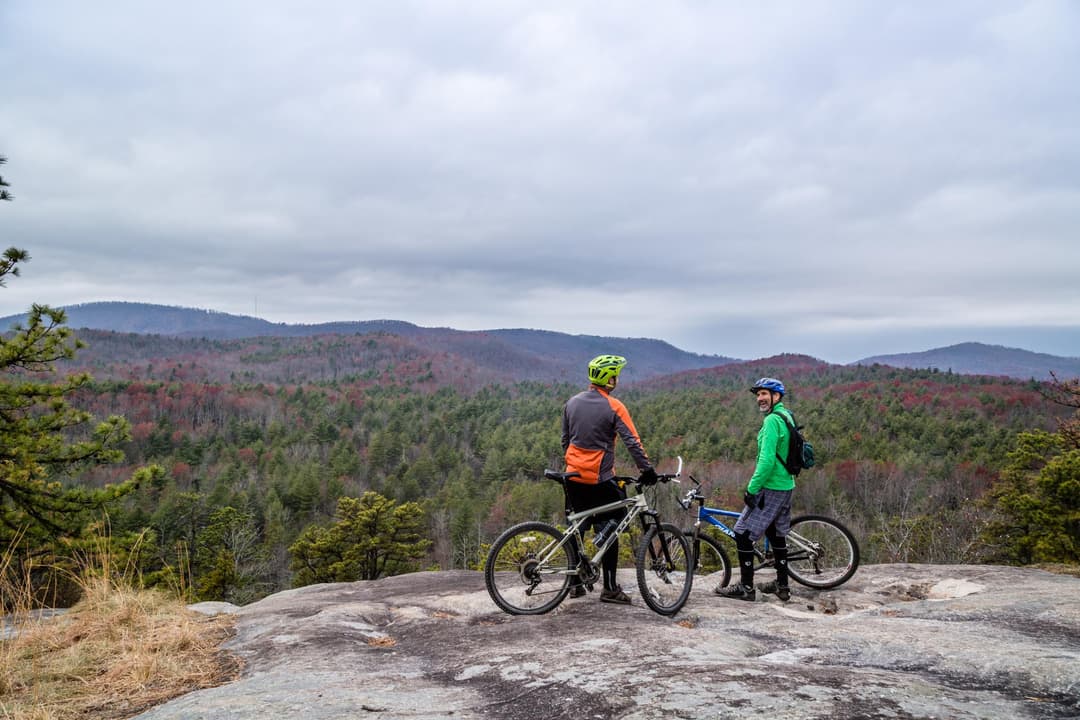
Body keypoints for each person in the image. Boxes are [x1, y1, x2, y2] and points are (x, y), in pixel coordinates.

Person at [562, 354, 658, 605]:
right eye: (615, 374)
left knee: (577, 525)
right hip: (600, 479)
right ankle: (610, 588)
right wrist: (647, 470)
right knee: (614, 523)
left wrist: (576, 464)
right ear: (609, 379)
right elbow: (632, 442)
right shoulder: (615, 406)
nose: (617, 378)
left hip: (572, 476)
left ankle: (574, 584)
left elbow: (566, 440)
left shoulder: (571, 403)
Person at [716, 377, 796, 603]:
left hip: (770, 487)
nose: (760, 398)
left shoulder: (772, 420)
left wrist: (751, 489)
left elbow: (766, 461)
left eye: (764, 394)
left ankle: (746, 588)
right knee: (775, 534)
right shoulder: (786, 415)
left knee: (742, 533)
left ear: (776, 396)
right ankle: (782, 586)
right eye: (758, 394)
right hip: (786, 485)